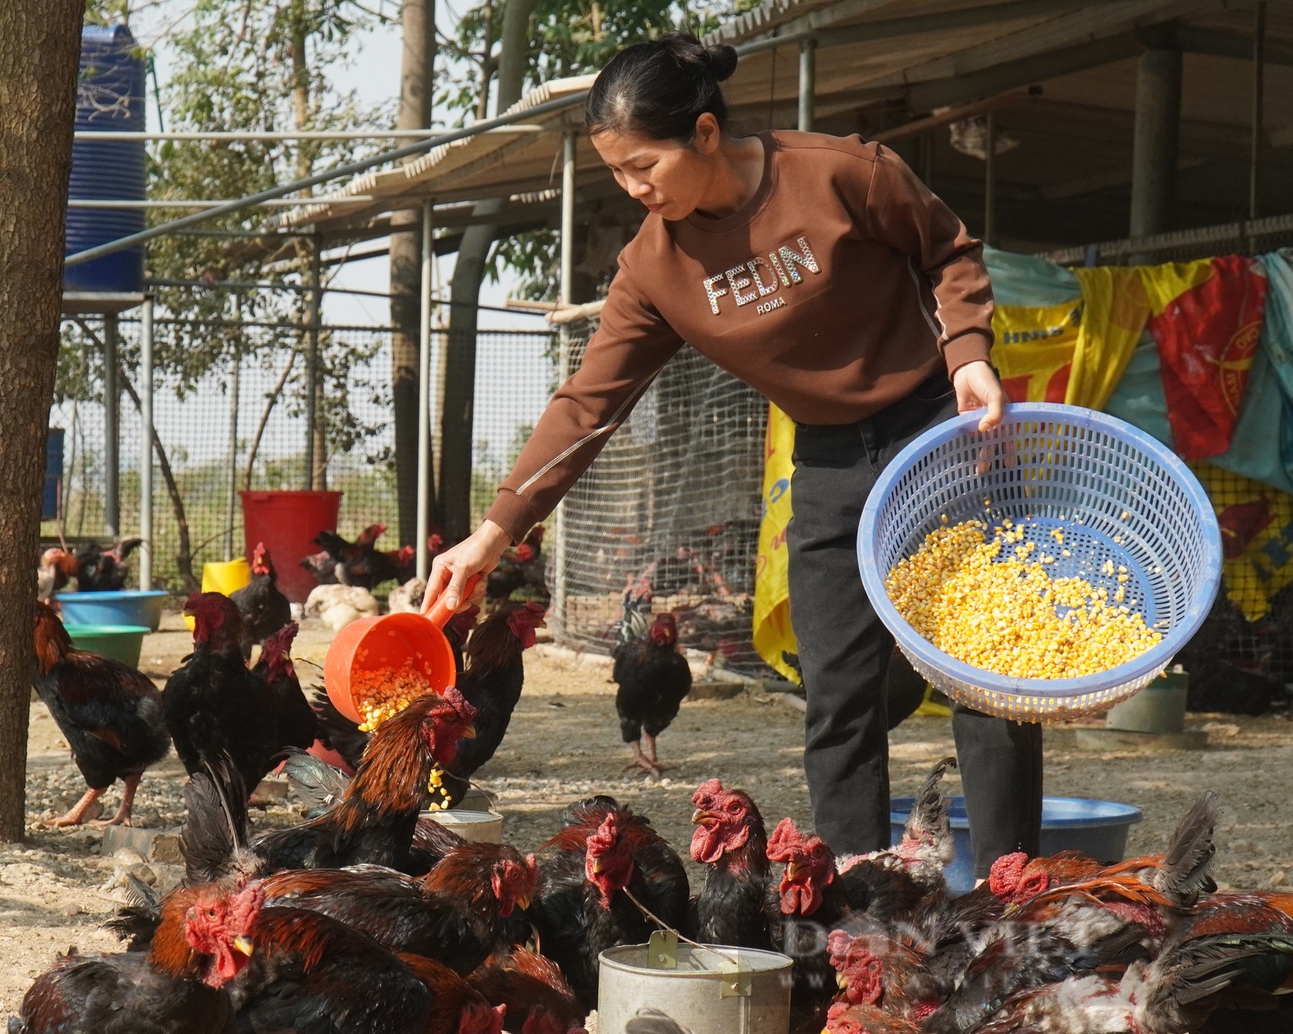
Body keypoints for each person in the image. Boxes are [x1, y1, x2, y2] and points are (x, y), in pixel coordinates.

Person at [423, 33, 1041, 876]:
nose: (636, 189)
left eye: (646, 166)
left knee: (987, 678)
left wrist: (969, 352)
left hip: (941, 430)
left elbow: (949, 250)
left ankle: (1014, 895)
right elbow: (588, 404)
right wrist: (494, 533)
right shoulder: (654, 265)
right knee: (838, 697)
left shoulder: (839, 174)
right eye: (618, 174)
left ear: (706, 134)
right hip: (826, 461)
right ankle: (855, 910)